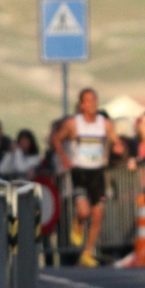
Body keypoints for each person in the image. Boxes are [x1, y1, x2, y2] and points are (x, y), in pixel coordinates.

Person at [54, 87, 125, 266]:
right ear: (81, 105)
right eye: (88, 100)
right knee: (84, 211)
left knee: (98, 214)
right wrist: (64, 158)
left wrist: (118, 147)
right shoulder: (73, 123)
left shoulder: (105, 123)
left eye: (94, 100)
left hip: (97, 172)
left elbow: (116, 140)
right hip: (79, 172)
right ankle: (78, 222)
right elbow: (57, 139)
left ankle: (88, 252)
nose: (92, 104)